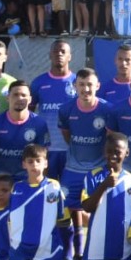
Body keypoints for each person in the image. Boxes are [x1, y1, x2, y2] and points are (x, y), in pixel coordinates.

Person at [57, 67, 114, 260]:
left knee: (97, 213)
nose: (86, 89)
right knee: (66, 210)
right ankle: (70, 254)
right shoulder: (66, 109)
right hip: (73, 169)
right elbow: (68, 136)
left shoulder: (107, 110)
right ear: (75, 86)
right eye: (81, 84)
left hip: (97, 170)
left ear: (97, 86)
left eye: (89, 84)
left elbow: (109, 141)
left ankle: (92, 254)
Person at [75, 133, 131, 260]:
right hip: (98, 246)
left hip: (124, 248)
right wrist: (104, 185)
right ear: (104, 152)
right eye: (109, 151)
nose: (112, 156)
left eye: (117, 152)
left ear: (127, 153)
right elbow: (87, 207)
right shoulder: (93, 176)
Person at [0, 144, 68, 260]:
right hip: (21, 248)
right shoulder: (16, 188)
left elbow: (63, 220)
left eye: (38, 161)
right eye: (30, 161)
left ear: (46, 163)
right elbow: (8, 219)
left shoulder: (54, 187)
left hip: (47, 248)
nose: (34, 165)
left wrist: (67, 254)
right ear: (24, 164)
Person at [0, 81, 51, 196]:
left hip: (26, 177)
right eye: (15, 95)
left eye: (23, 95)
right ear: (8, 98)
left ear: (30, 99)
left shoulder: (39, 124)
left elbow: (43, 158)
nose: (19, 98)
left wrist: (40, 184)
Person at [29, 40, 76, 180]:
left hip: (71, 150)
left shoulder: (77, 82)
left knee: (67, 192)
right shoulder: (38, 82)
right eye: (55, 51)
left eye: (63, 52)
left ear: (70, 56)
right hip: (46, 150)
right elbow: (29, 114)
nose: (59, 54)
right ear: (50, 55)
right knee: (47, 191)